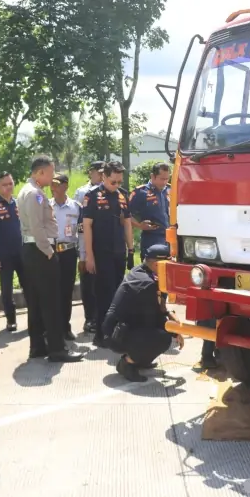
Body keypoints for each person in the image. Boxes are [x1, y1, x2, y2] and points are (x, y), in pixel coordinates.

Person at [17, 155, 84, 363]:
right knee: (51, 301)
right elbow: (38, 227)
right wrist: (49, 252)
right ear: (40, 172)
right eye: (51, 172)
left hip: (32, 249)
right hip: (40, 249)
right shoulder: (35, 194)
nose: (53, 176)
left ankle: (37, 346)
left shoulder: (29, 191)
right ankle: (57, 349)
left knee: (36, 301)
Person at [101, 244, 184, 382]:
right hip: (115, 335)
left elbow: (159, 310)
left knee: (158, 332)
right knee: (162, 338)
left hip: (123, 328)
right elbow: (155, 319)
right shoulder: (147, 284)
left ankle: (140, 360)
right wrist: (176, 331)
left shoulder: (144, 272)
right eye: (168, 263)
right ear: (158, 264)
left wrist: (170, 318)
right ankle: (128, 363)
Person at [82, 161, 133, 345]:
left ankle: (114, 331)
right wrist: (89, 256)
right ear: (104, 177)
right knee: (104, 293)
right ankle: (101, 334)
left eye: (120, 182)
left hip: (119, 251)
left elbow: (127, 223)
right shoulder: (92, 196)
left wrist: (131, 249)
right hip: (100, 253)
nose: (117, 185)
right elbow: (87, 226)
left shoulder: (122, 196)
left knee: (118, 293)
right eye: (114, 182)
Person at [0, 171, 25, 332]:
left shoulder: (18, 204)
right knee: (6, 290)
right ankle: (11, 320)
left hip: (21, 253)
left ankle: (35, 319)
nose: (9, 187)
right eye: (5, 184)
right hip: (3, 256)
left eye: (10, 183)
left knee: (29, 286)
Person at [50, 173, 81, 341]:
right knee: (52, 292)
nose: (52, 187)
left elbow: (82, 231)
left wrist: (83, 255)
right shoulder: (47, 206)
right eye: (51, 184)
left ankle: (65, 327)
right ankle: (52, 329)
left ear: (65, 186)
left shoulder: (76, 207)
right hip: (51, 252)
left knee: (66, 292)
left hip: (69, 252)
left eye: (56, 184)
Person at [74, 161, 104, 333]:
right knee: (88, 285)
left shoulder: (109, 191)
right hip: (87, 244)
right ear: (90, 173)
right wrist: (83, 254)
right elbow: (80, 225)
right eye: (97, 172)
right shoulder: (83, 193)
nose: (100, 176)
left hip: (104, 245)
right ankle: (90, 319)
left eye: (103, 172)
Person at [129, 162, 171, 260]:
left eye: (167, 179)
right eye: (162, 179)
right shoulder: (140, 192)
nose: (164, 182)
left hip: (170, 239)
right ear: (153, 176)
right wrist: (139, 225)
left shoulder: (170, 190)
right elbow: (125, 214)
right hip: (152, 239)